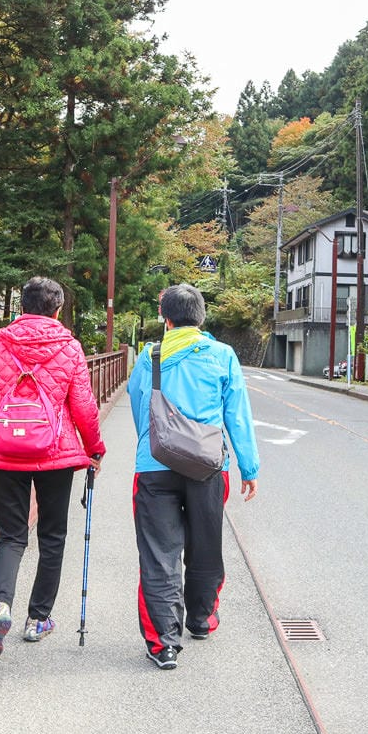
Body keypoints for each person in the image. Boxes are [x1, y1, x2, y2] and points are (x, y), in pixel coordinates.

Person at [0, 276, 107, 659]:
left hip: (6, 449)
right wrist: (94, 446)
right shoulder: (69, 346)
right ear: (57, 309)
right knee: (52, 535)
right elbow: (82, 404)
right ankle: (37, 619)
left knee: (10, 536)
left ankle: (1, 607)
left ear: (22, 308)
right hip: (55, 453)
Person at [126, 283, 259, 670]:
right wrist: (249, 468)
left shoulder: (148, 356)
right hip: (208, 467)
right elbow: (237, 414)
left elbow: (140, 410)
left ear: (165, 319)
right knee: (205, 545)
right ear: (201, 318)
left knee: (158, 553)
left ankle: (163, 642)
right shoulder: (222, 355)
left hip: (155, 466)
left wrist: (155, 444)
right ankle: (200, 619)